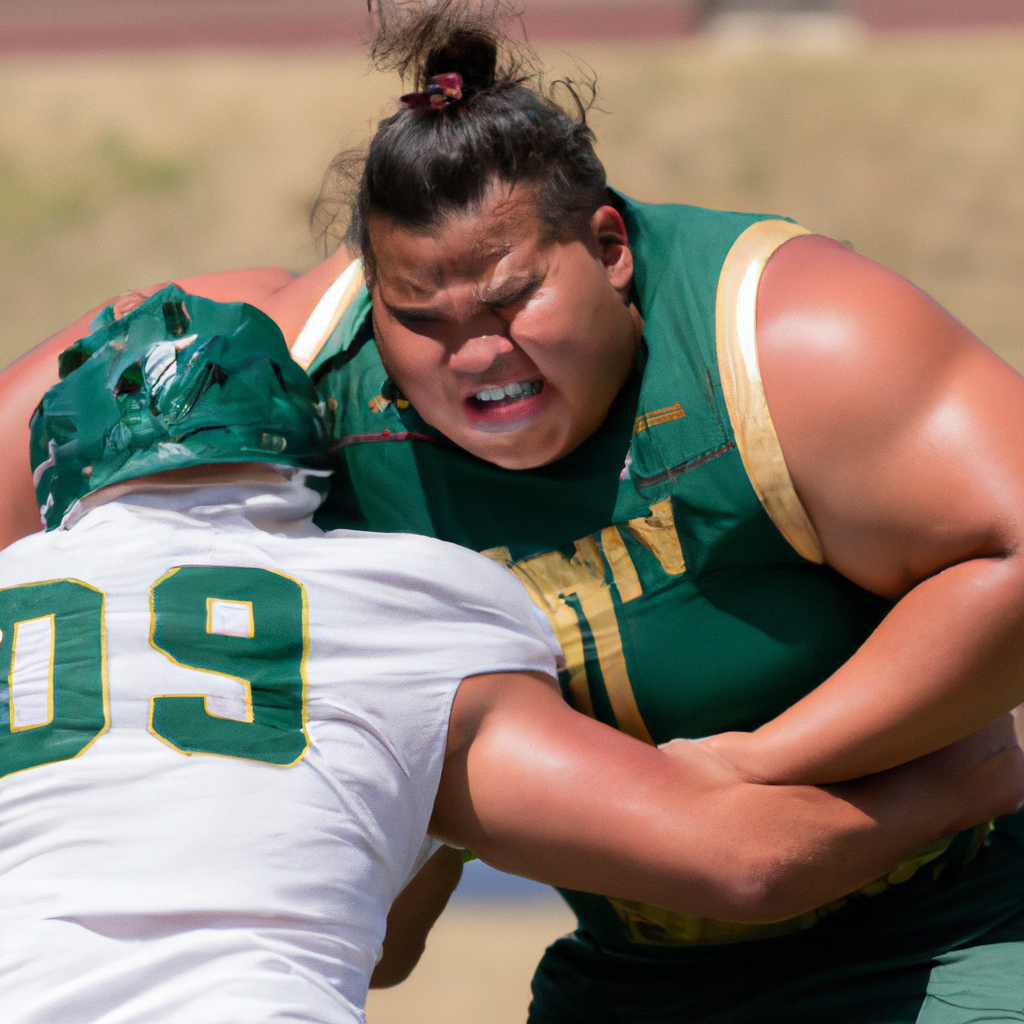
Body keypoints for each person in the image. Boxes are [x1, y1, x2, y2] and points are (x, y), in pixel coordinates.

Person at [2, 2, 1024, 1019]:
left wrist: (765, 758)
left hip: (943, 918)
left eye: (511, 297)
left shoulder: (783, 333)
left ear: (610, 245)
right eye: (422, 318)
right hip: (637, 960)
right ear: (372, 294)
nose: (478, 351)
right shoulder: (299, 366)